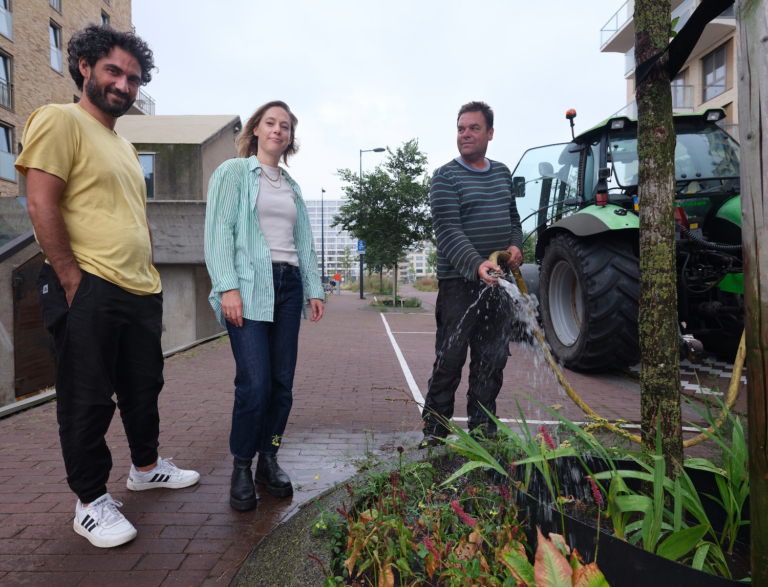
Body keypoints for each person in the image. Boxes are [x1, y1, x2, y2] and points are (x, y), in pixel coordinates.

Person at [15, 25, 199, 548]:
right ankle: (91, 502)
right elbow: (40, 203)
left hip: (140, 288)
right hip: (90, 284)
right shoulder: (60, 119)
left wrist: (151, 272)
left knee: (144, 388)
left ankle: (144, 468)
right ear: (85, 68)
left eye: (134, 78)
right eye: (114, 71)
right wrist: (72, 278)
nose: (124, 85)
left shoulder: (123, 143)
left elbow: (132, 215)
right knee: (88, 397)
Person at [205, 100, 324, 511]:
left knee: (281, 386)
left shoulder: (291, 186)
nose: (278, 130)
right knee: (254, 385)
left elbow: (304, 241)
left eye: (285, 126)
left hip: (288, 287)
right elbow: (219, 232)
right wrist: (227, 287)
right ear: (255, 129)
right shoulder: (233, 173)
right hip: (249, 285)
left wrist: (315, 287)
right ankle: (241, 465)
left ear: (290, 137)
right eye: (271, 123)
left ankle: (268, 460)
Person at [421, 101, 523, 446]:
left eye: (473, 128)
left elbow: (513, 219)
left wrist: (514, 246)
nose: (465, 134)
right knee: (449, 360)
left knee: (491, 360)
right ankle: (435, 433)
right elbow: (448, 230)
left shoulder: (502, 173)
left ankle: (482, 433)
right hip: (459, 286)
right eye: (461, 128)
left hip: (499, 284)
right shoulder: (445, 176)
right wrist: (476, 264)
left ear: (490, 133)